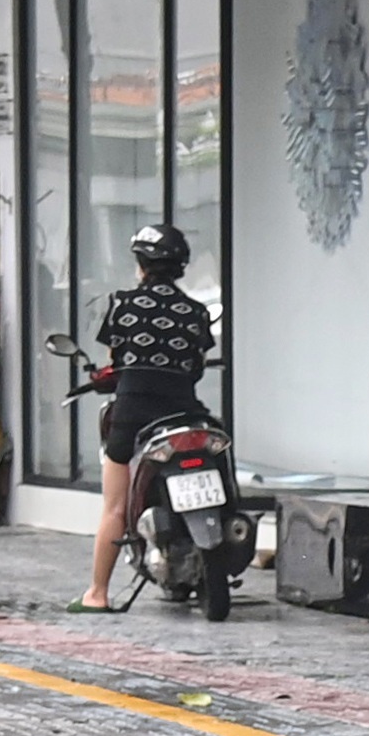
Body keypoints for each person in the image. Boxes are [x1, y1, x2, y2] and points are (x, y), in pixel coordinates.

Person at [72, 223, 213, 612]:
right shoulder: (197, 312)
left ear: (142, 265)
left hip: (133, 410)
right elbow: (197, 366)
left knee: (115, 507)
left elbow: (114, 363)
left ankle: (97, 593)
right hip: (185, 409)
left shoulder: (122, 304)